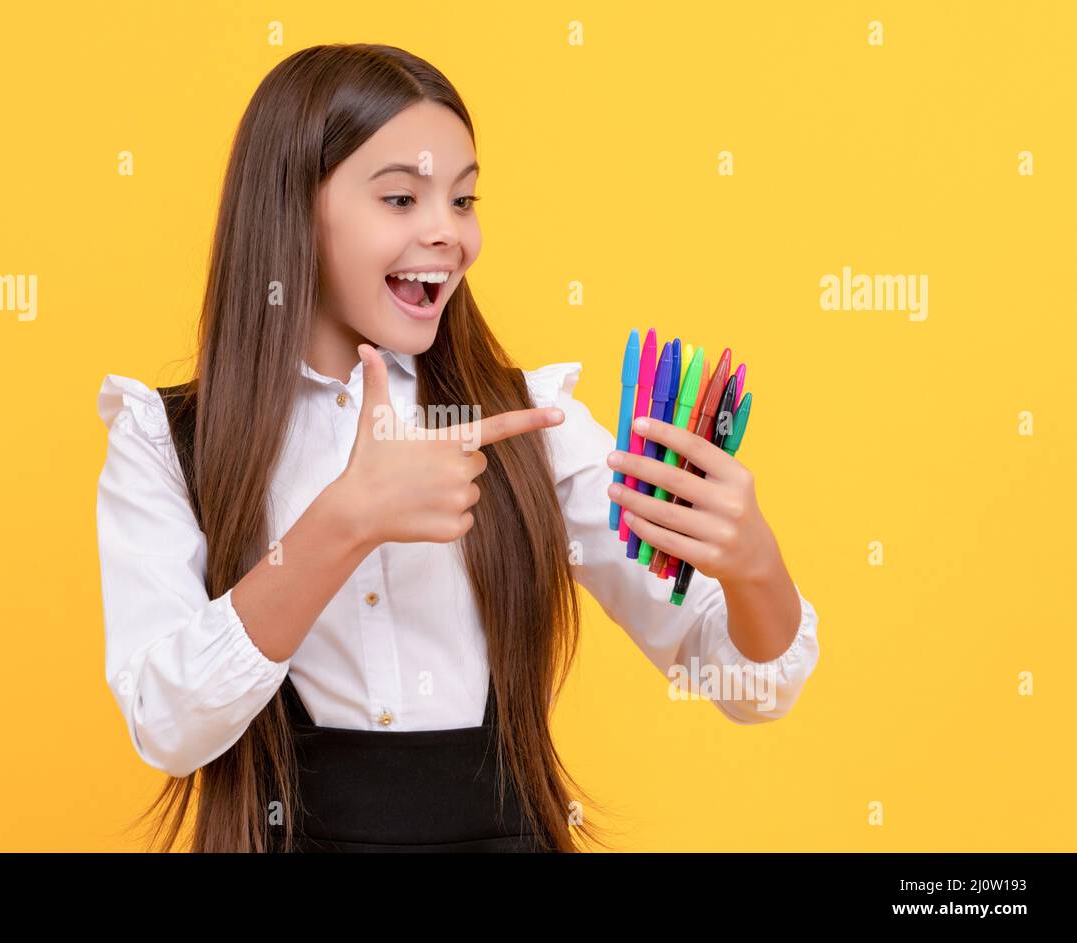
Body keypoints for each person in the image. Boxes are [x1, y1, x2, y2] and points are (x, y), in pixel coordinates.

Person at [95, 43, 820, 853]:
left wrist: (756, 566)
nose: (448, 233)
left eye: (464, 199)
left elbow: (741, 678)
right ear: (292, 206)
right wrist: (342, 523)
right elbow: (167, 723)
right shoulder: (167, 441)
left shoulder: (531, 425)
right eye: (402, 197)